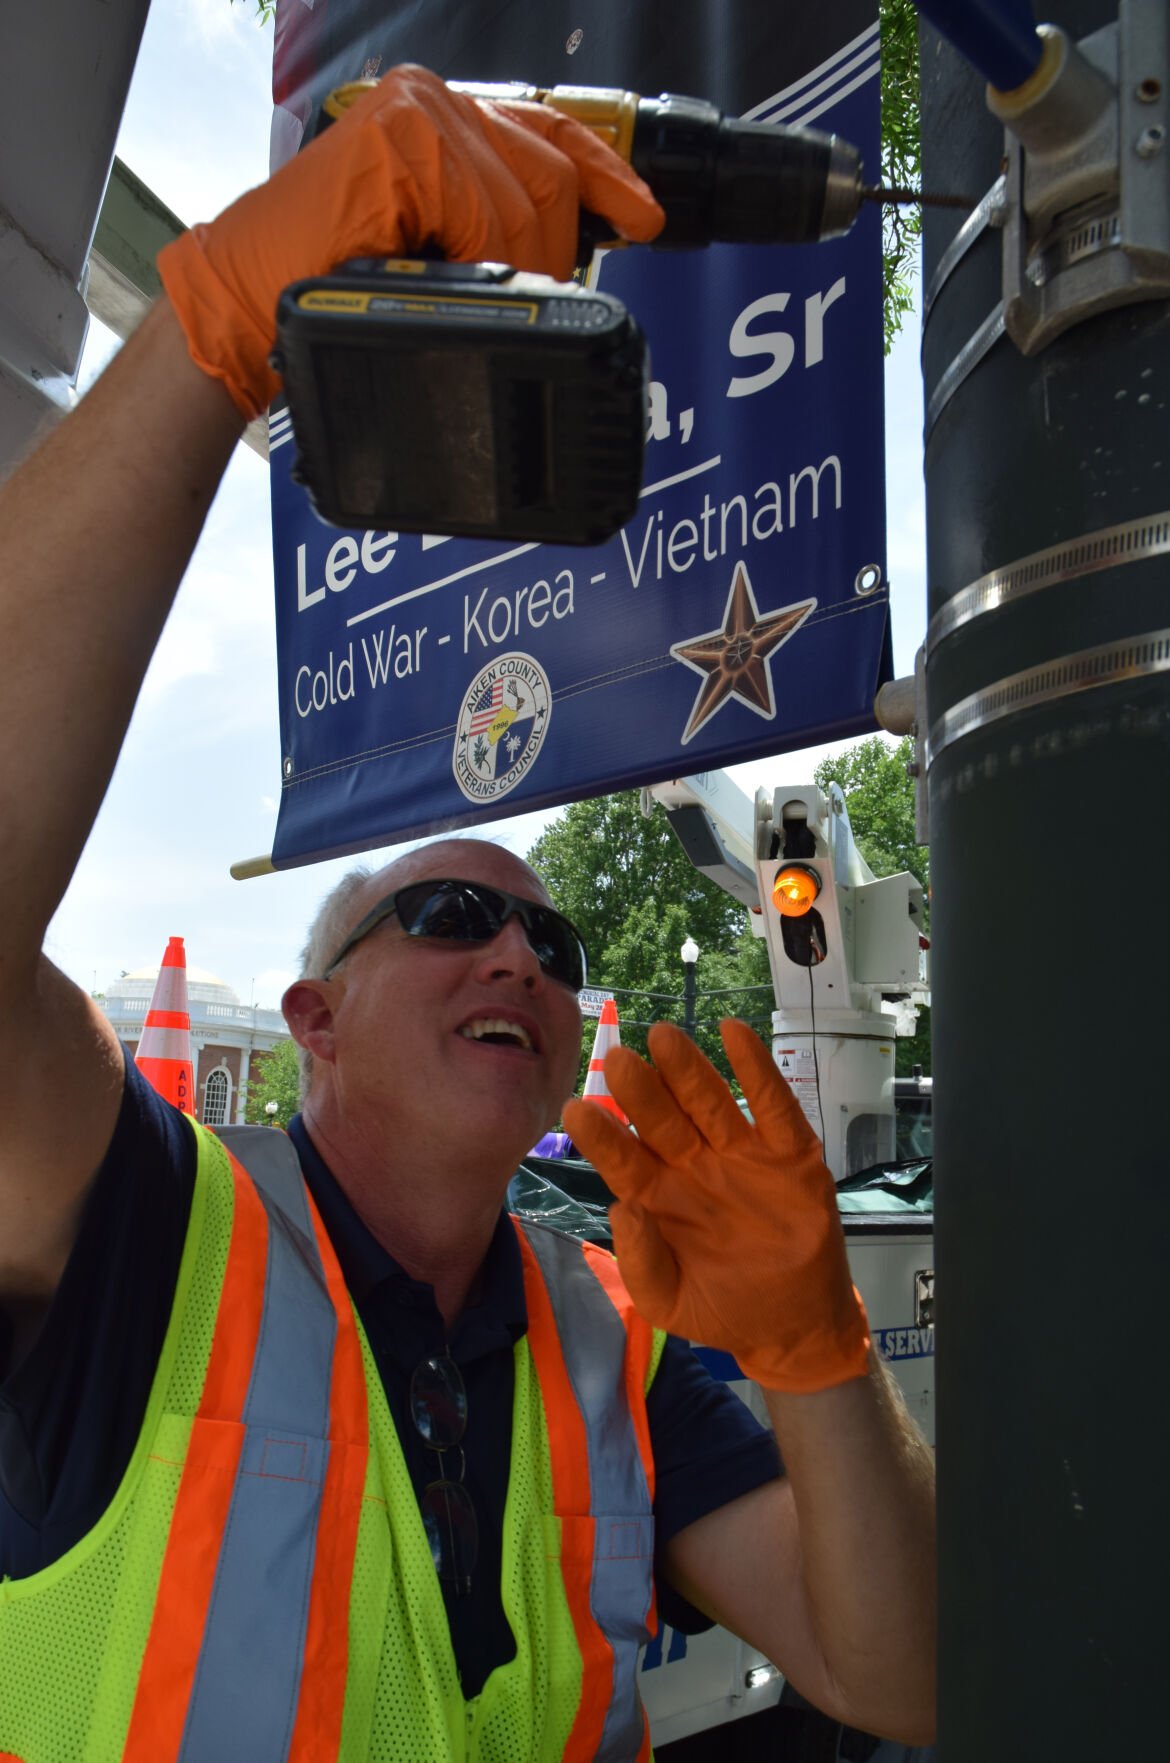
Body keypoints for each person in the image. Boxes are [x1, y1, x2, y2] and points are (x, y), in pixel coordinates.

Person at [0, 68, 935, 1759]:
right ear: (313, 1022)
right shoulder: (136, 1228)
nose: (519, 950)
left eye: (555, 948)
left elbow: (905, 1681)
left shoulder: (620, 1343)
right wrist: (209, 324)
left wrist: (814, 1351)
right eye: (446, 911)